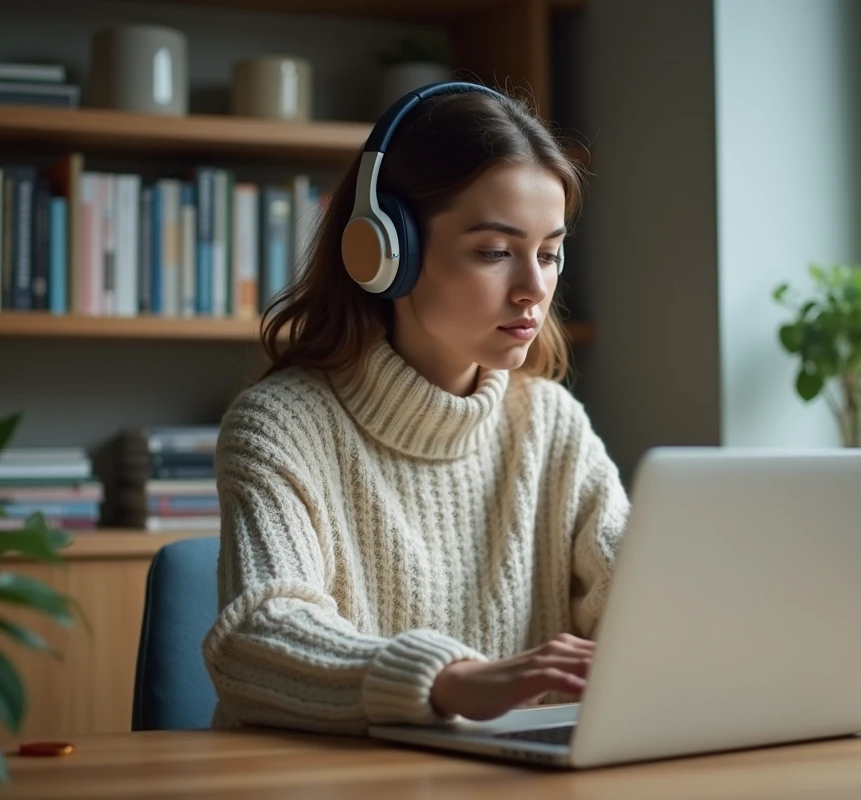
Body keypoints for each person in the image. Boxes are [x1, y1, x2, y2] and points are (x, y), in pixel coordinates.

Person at [202, 82, 630, 736]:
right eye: (494, 252)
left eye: (548, 253)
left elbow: (636, 600)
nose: (534, 289)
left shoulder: (552, 425)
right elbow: (260, 637)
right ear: (382, 252)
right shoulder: (280, 425)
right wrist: (451, 680)